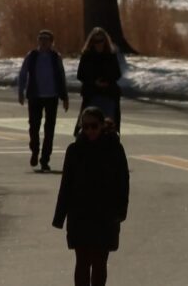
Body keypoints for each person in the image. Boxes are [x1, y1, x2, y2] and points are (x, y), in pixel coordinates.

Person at [53, 107, 130, 286]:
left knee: (99, 262)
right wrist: (59, 216)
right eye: (85, 126)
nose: (89, 131)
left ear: (102, 126)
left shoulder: (114, 149)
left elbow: (123, 181)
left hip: (105, 215)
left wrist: (121, 210)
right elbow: (66, 185)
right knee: (82, 262)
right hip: (80, 214)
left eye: (94, 126)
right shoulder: (74, 150)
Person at [18, 29, 69, 171]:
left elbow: (61, 76)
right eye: (41, 39)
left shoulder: (55, 57)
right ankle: (35, 150)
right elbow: (23, 74)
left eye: (46, 39)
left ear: (51, 42)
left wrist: (64, 97)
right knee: (34, 126)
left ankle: (45, 158)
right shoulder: (32, 56)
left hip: (52, 97)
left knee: (49, 129)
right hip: (35, 96)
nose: (43, 42)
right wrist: (21, 92)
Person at [76, 28, 122, 135]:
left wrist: (108, 81)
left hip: (109, 94)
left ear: (105, 41)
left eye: (101, 41)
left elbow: (117, 74)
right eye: (96, 41)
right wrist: (93, 82)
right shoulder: (87, 56)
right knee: (90, 123)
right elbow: (80, 75)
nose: (99, 44)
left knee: (109, 125)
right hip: (92, 94)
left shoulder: (111, 55)